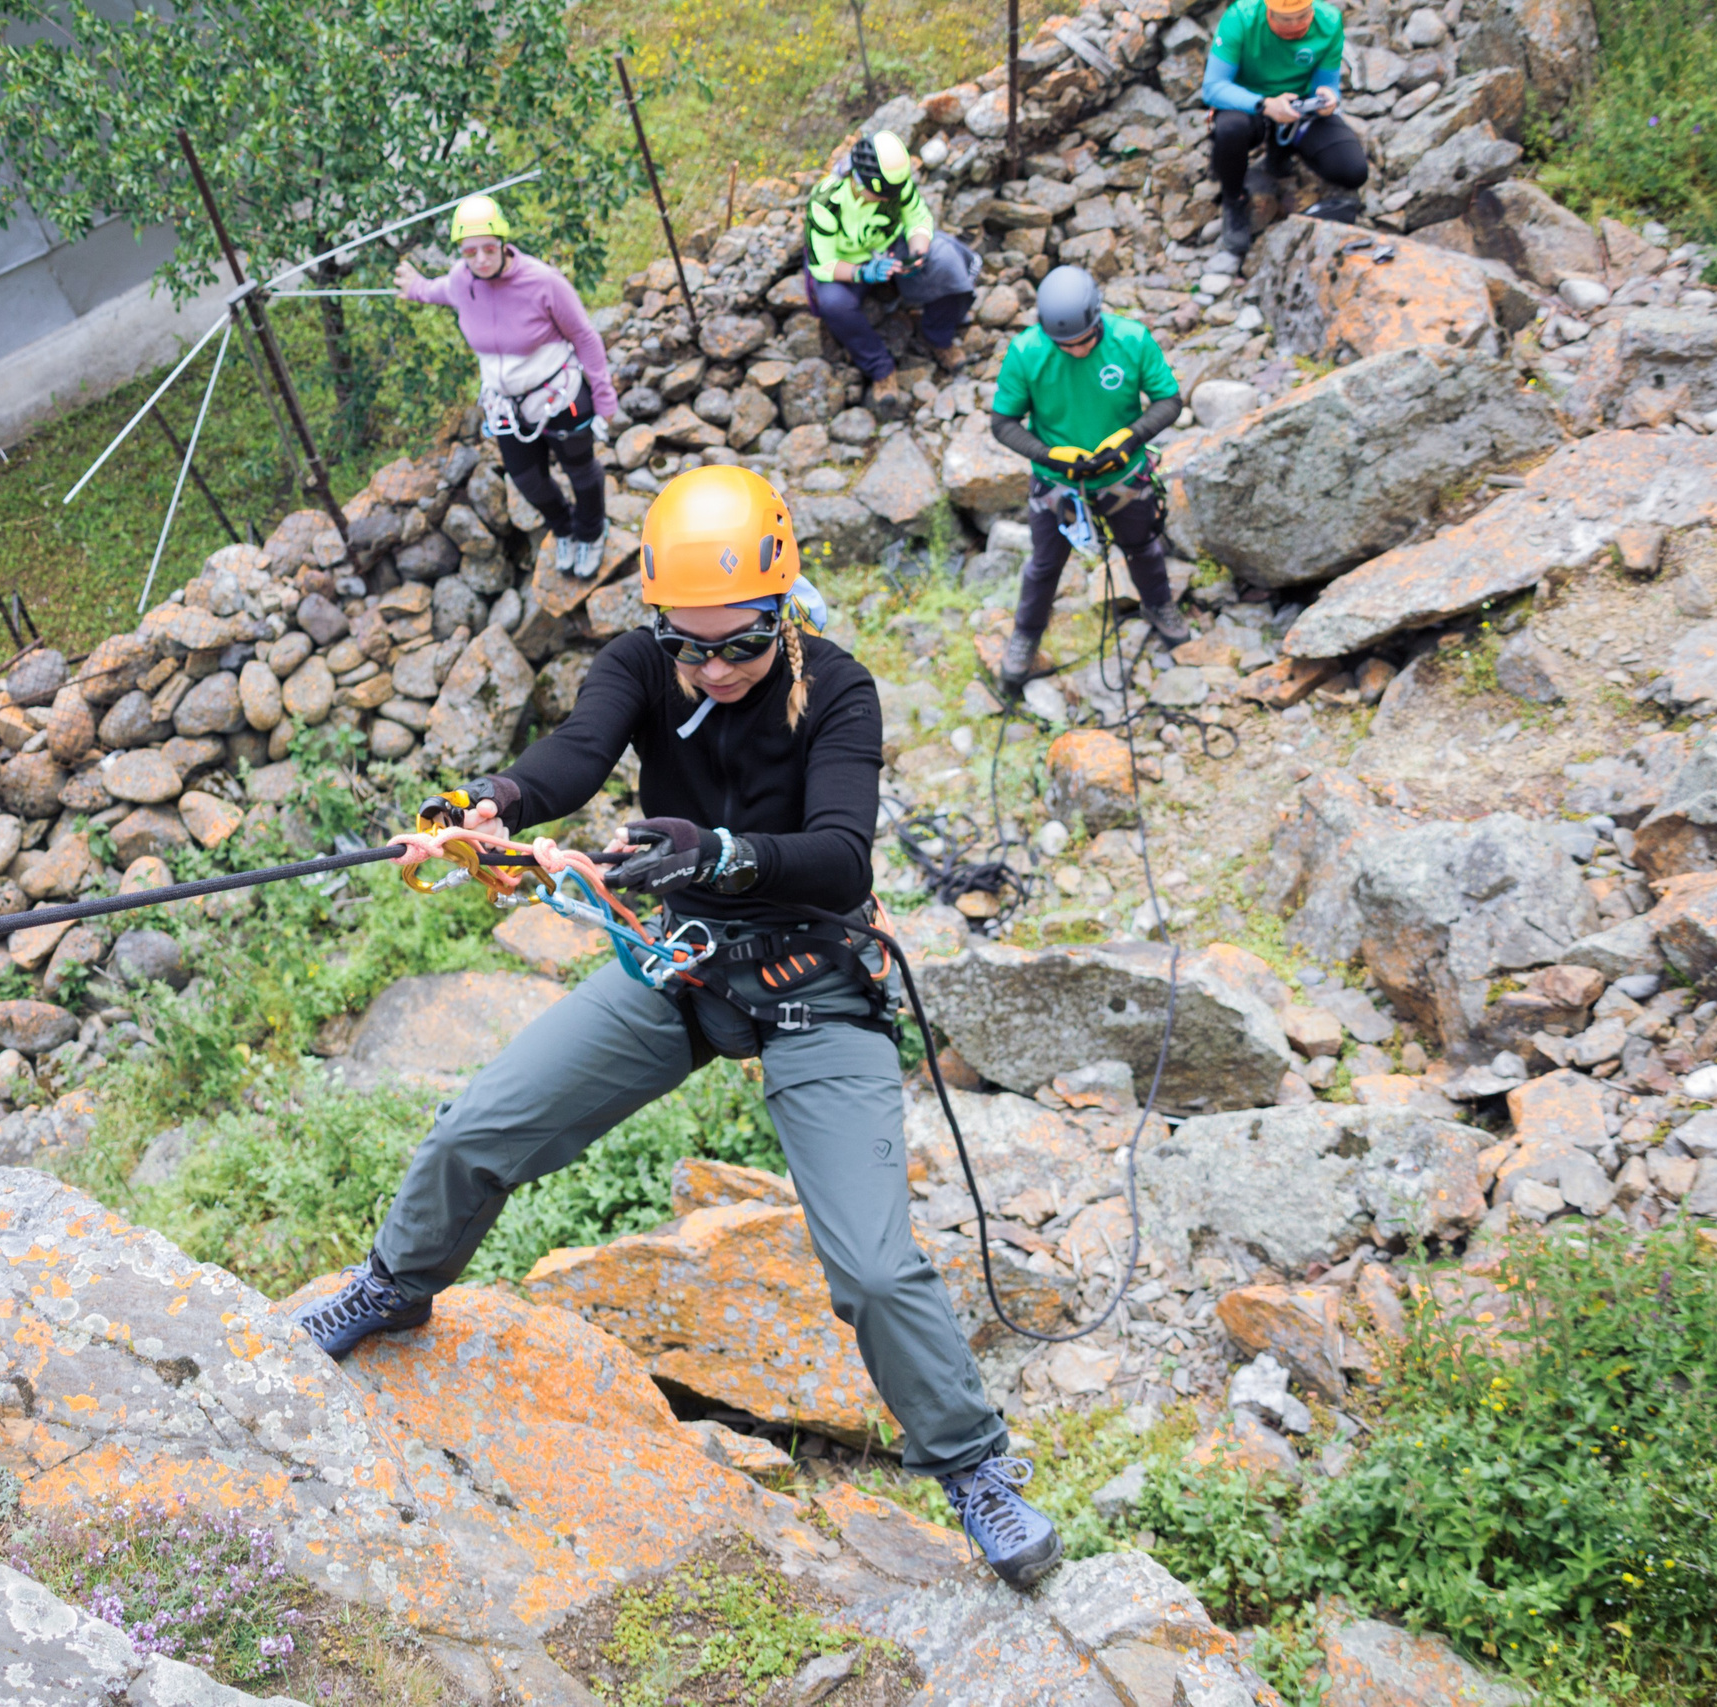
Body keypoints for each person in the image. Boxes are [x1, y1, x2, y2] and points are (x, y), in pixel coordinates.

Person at [291, 465, 1063, 1592]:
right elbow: (575, 755)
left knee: (873, 1270)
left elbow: (841, 855)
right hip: (685, 969)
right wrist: (493, 804)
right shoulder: (641, 665)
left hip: (814, 985)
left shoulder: (838, 690)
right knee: (475, 1129)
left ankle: (975, 1468)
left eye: (738, 644)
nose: (710, 668)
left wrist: (722, 854)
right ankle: (396, 1286)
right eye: (686, 645)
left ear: (783, 609)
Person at [986, 267, 1189, 694]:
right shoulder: (1026, 352)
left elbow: (1169, 400)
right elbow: (1003, 422)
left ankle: (1159, 606)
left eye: (1085, 340)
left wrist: (1131, 437)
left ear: (1098, 318)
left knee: (1143, 549)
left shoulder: (1131, 339)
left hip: (1124, 476)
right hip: (1057, 483)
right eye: (1066, 345)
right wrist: (1048, 455)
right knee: (1044, 566)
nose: (1077, 350)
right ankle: (1026, 635)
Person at [398, 195, 620, 577]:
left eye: (489, 248)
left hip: (558, 396)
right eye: (470, 252)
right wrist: (415, 286)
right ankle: (563, 526)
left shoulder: (544, 282)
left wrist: (604, 400)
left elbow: (585, 336)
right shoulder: (461, 281)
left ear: (503, 242)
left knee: (581, 471)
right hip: (505, 406)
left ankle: (591, 532)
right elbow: (439, 290)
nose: (481, 259)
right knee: (527, 480)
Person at [804, 131, 982, 411]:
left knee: (947, 260)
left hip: (889, 246)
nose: (883, 200)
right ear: (859, 179)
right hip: (847, 262)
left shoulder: (895, 185)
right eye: (878, 195)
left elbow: (918, 218)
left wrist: (918, 251)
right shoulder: (827, 200)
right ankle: (880, 368)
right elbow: (822, 263)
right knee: (834, 303)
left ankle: (938, 335)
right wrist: (863, 272)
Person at [1199, 0, 1369, 258]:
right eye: (1285, 19)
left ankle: (1280, 154)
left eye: (1303, 16)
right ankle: (1234, 199)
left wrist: (1327, 99)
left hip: (1299, 109)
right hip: (1251, 105)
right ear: (1268, 10)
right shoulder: (1240, 19)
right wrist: (1265, 105)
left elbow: (1327, 83)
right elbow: (1213, 88)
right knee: (1231, 128)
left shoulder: (1329, 21)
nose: (1295, 26)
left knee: (1352, 170)